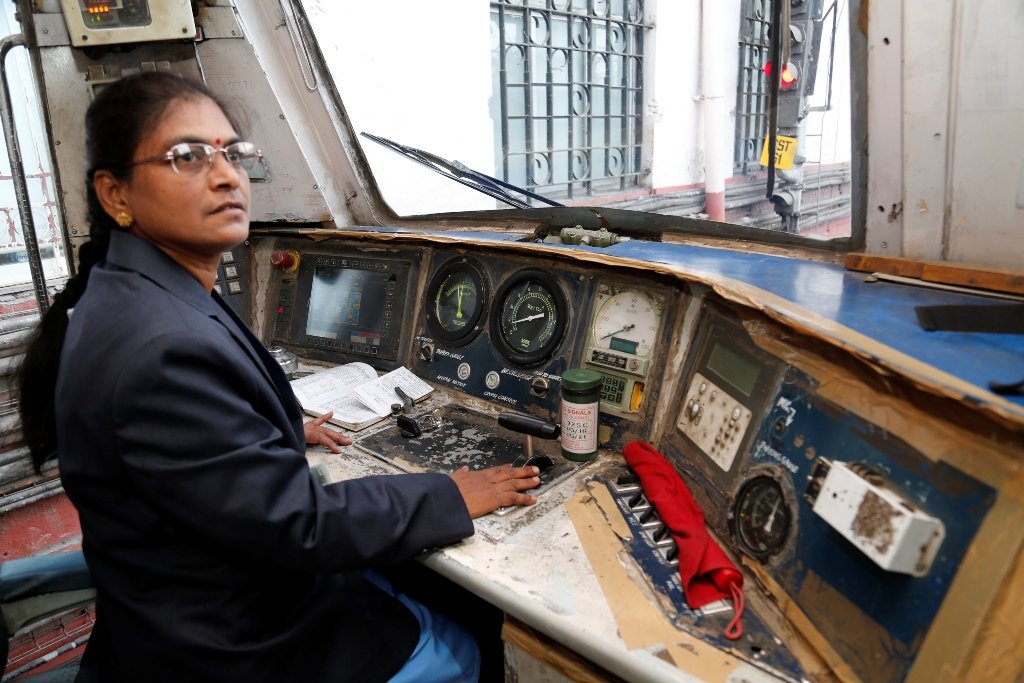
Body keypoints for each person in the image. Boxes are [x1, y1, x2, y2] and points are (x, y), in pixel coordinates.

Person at [17, 71, 542, 682]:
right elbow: (304, 526)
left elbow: (196, 456)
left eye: (232, 153)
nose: (225, 175)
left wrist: (272, 429)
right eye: (187, 157)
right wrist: (450, 493)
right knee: (469, 640)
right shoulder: (161, 347)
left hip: (171, 615)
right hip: (235, 649)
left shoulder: (128, 294)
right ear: (115, 194)